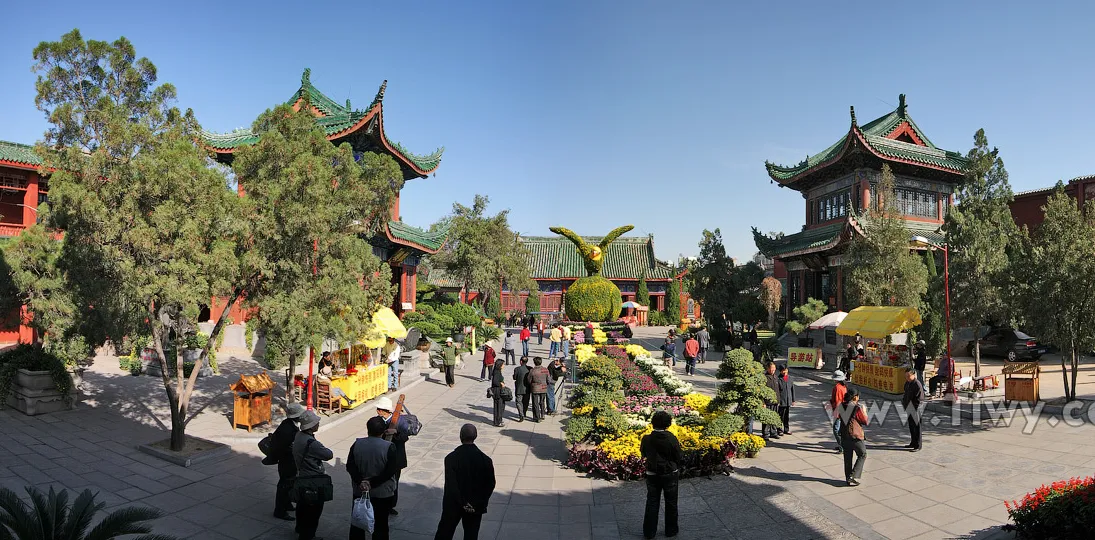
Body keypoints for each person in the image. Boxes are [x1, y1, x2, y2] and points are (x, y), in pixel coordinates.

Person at [433, 424, 496, 540]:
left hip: (453, 505)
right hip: (475, 506)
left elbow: (452, 485)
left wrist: (463, 503)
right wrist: (475, 503)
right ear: (475, 436)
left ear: (460, 436)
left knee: (444, 533)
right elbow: (490, 484)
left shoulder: (451, 458)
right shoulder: (486, 460)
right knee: (471, 535)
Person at [347, 416, 400, 540]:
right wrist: (372, 482)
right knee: (381, 524)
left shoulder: (357, 443)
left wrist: (362, 481)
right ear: (383, 431)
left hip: (360, 490)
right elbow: (390, 471)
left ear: (368, 429)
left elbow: (350, 465)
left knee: (358, 522)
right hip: (382, 493)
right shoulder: (389, 446)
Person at [640, 410, 682, 540]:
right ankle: (671, 530)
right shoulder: (671, 438)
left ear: (653, 423)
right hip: (670, 473)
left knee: (652, 502)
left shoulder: (646, 439)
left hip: (652, 473)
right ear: (668, 424)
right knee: (671, 502)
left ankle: (649, 532)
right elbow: (678, 456)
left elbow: (644, 453)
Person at [292, 411, 333, 540]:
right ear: (310, 426)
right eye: (316, 422)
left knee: (302, 506)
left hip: (301, 475)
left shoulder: (299, 435)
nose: (318, 424)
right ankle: (308, 536)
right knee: (313, 511)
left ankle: (299, 528)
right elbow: (328, 454)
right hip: (313, 480)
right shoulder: (312, 443)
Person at [376, 397, 412, 516]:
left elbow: (404, 437)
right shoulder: (378, 421)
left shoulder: (400, 421)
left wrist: (396, 434)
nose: (377, 411)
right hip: (382, 457)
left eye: (379, 409)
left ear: (383, 410)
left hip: (396, 458)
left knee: (394, 482)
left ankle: (391, 505)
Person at [272, 403, 306, 521]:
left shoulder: (288, 424)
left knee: (288, 484)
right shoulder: (288, 429)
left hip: (288, 460)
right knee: (284, 485)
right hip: (287, 461)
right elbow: (284, 447)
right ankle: (280, 510)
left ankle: (287, 504)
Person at [837, 389, 869, 486]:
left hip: (844, 435)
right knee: (863, 454)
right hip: (854, 437)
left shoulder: (842, 406)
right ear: (855, 397)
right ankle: (853, 475)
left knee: (847, 458)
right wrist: (864, 411)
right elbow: (865, 421)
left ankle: (848, 478)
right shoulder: (857, 408)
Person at [902, 369, 925, 452]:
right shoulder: (908, 383)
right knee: (911, 426)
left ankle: (918, 445)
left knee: (917, 427)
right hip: (909, 407)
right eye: (906, 376)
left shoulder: (917, 384)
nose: (907, 378)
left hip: (915, 408)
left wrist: (915, 408)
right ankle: (913, 442)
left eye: (908, 376)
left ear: (913, 375)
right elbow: (905, 394)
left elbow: (920, 399)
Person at [527, 356, 550, 422]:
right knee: (542, 401)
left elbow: (529, 380)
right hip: (544, 387)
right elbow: (548, 379)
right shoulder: (545, 369)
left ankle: (537, 417)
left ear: (534, 363)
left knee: (535, 403)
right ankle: (543, 414)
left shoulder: (532, 371)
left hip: (535, 388)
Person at [829, 374, 848, 453]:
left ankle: (842, 447)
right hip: (844, 409)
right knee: (840, 429)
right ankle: (842, 445)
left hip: (839, 410)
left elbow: (837, 401)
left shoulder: (837, 387)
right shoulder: (844, 387)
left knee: (836, 429)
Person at [762, 362, 781, 440]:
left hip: (775, 401)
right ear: (768, 368)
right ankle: (765, 433)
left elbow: (778, 390)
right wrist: (763, 402)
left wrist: (778, 400)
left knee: (774, 417)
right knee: (766, 418)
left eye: (774, 368)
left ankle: (773, 432)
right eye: (771, 368)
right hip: (767, 402)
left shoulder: (776, 377)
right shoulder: (764, 378)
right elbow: (761, 391)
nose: (773, 370)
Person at [777, 365, 796, 435]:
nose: (785, 372)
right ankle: (779, 429)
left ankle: (786, 429)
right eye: (783, 371)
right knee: (780, 416)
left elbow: (792, 389)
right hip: (781, 400)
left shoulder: (790, 378)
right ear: (780, 371)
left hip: (788, 400)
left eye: (786, 370)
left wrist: (793, 400)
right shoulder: (778, 379)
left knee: (786, 416)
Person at [513, 357, 531, 422]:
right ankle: (524, 413)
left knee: (519, 402)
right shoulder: (530, 368)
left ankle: (521, 414)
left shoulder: (517, 369)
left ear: (521, 361)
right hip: (527, 389)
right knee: (526, 402)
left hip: (519, 388)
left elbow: (514, 377)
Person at [490, 361, 506, 427]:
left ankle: (497, 420)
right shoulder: (497, 372)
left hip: (497, 391)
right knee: (499, 407)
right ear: (500, 365)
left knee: (499, 406)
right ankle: (498, 421)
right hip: (497, 391)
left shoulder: (497, 371)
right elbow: (495, 382)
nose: (504, 365)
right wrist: (501, 384)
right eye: (503, 364)